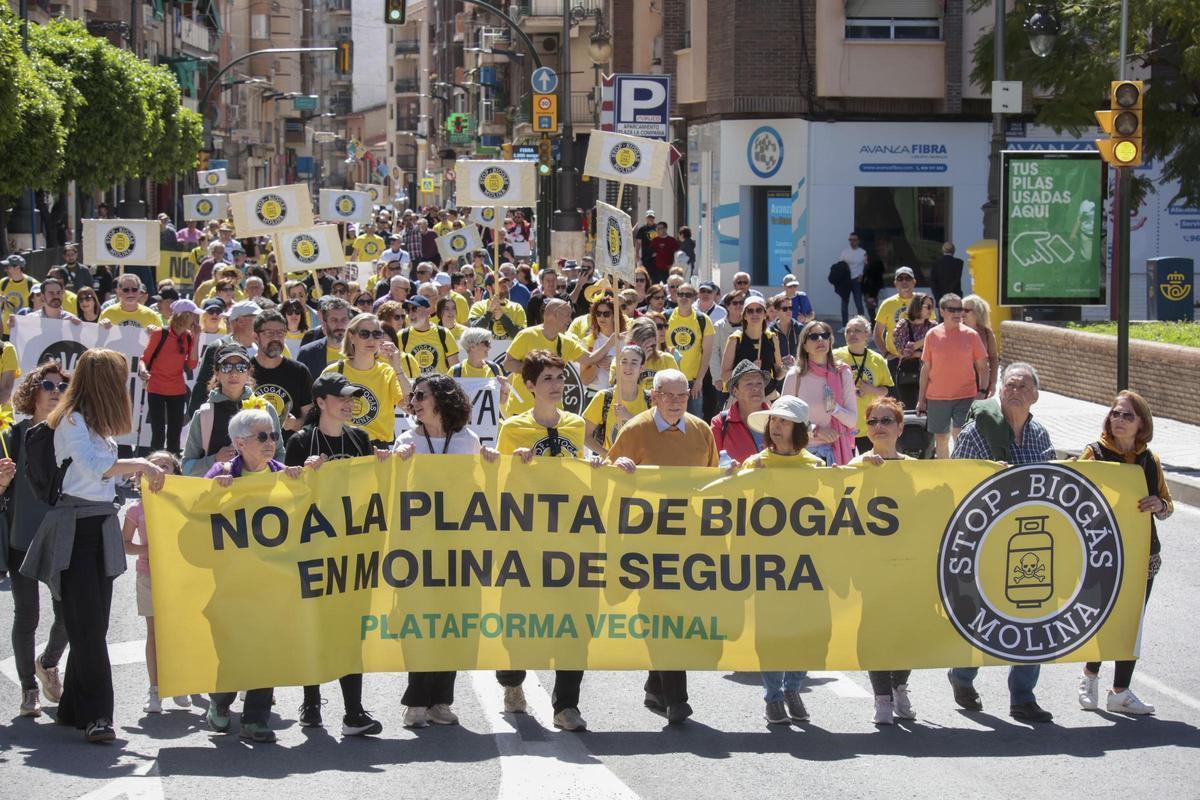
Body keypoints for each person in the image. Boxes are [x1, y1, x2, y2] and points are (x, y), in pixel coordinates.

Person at [20, 349, 166, 742]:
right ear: (102, 382)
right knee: (88, 627)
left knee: (93, 624)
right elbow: (94, 468)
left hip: (100, 524)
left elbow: (102, 477)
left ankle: (72, 710)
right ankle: (100, 716)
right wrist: (144, 466)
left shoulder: (97, 427)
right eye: (117, 379)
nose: (123, 387)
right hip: (75, 529)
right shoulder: (72, 420)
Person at [495, 351, 599, 731]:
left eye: (560, 377)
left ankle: (566, 705)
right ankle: (511, 680)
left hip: (573, 539)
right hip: (525, 540)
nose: (557, 385)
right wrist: (512, 465)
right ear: (530, 386)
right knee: (519, 620)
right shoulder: (513, 428)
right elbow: (499, 485)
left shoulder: (575, 424)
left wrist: (600, 466)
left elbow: (582, 470)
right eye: (549, 379)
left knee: (576, 620)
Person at [607, 369, 718, 724]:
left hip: (689, 542)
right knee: (661, 614)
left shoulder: (701, 431)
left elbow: (712, 482)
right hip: (646, 543)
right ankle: (676, 698)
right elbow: (608, 484)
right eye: (668, 396)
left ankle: (656, 687)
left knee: (681, 615)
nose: (676, 402)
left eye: (682, 396)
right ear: (653, 396)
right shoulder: (634, 431)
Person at [948, 363, 1054, 723]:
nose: (1015, 390)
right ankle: (962, 676)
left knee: (1033, 617)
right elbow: (958, 480)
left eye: (1023, 386)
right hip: (985, 542)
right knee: (981, 617)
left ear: (1035, 396)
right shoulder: (979, 430)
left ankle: (1022, 697)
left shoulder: (1040, 434)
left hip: (1029, 540)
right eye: (1010, 384)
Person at [391, 375, 499, 729]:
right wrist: (396, 463)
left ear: (443, 400)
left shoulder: (467, 441)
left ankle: (441, 699)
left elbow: (482, 488)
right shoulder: (406, 441)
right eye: (413, 396)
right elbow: (390, 490)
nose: (415, 400)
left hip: (459, 547)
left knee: (454, 622)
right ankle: (416, 700)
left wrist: (491, 464)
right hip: (418, 548)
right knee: (422, 620)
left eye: (422, 395)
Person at [284, 374, 386, 737]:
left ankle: (353, 711)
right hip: (314, 549)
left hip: (352, 552)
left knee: (349, 630)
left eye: (352, 398)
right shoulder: (299, 441)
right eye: (341, 398)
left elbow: (371, 487)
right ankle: (311, 702)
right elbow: (286, 495)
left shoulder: (359, 438)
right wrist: (301, 474)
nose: (348, 403)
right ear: (321, 401)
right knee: (314, 627)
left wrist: (389, 464)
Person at [203, 408, 307, 743]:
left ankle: (256, 718)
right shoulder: (220, 473)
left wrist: (309, 477)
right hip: (231, 581)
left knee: (267, 646)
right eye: (262, 437)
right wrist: (213, 492)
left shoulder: (283, 474)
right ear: (239, 442)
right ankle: (220, 701)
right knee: (233, 646)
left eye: (273, 436)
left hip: (273, 580)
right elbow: (194, 514)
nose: (270, 443)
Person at [1077, 390, 1172, 716]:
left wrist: (1158, 504)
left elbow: (1167, 504)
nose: (1119, 420)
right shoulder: (1095, 453)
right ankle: (1089, 675)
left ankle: (1120, 690)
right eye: (1115, 414)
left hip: (1143, 555)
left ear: (1142, 423)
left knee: (1132, 622)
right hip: (1102, 552)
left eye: (1127, 416)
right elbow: (1071, 490)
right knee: (1102, 616)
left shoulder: (1149, 460)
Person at [739, 394, 822, 724]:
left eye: (784, 421)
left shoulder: (816, 469)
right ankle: (773, 696)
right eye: (774, 420)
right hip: (766, 564)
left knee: (803, 630)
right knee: (771, 630)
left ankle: (793, 687)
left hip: (805, 563)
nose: (776, 426)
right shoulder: (755, 464)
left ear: (798, 428)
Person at [4, 361, 69, 718]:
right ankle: (29, 689)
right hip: (22, 535)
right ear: (34, 390)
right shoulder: (12, 434)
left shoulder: (72, 431)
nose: (55, 392)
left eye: (61, 387)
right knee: (26, 614)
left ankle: (48, 662)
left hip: (62, 536)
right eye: (48, 385)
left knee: (68, 616)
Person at [848, 396, 917, 724]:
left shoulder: (914, 468)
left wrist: (991, 472)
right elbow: (847, 512)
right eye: (873, 421)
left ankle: (901, 686)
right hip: (871, 565)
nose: (879, 427)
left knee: (905, 631)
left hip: (906, 565)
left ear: (900, 427)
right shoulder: (857, 466)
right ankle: (882, 699)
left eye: (886, 421)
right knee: (875, 630)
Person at [121, 450, 191, 714]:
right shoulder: (136, 510)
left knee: (179, 631)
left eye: (167, 465)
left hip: (179, 577)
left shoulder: (184, 504)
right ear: (141, 476)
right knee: (154, 633)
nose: (161, 469)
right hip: (148, 576)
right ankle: (155, 689)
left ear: (175, 473)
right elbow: (125, 544)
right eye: (154, 466)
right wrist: (147, 551)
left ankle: (179, 683)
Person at [182, 344, 283, 476]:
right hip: (218, 494)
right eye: (226, 367)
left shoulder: (265, 409)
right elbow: (186, 467)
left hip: (258, 492)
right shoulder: (204, 414)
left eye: (241, 367)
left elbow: (279, 453)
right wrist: (214, 460)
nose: (234, 373)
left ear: (248, 372)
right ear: (216, 373)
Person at [916, 294, 988, 459]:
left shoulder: (971, 335)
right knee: (941, 439)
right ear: (942, 311)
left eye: (960, 309)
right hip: (937, 396)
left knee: (961, 435)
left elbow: (983, 366)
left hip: (966, 396)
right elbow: (926, 369)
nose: (957, 314)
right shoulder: (932, 335)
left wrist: (982, 391)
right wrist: (921, 400)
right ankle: (944, 474)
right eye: (952, 309)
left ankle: (961, 473)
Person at [322, 313, 406, 448]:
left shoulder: (388, 372)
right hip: (341, 446)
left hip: (379, 451)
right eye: (364, 334)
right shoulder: (333, 372)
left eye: (377, 334)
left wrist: (397, 367)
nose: (371, 339)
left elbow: (409, 406)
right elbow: (319, 414)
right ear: (351, 337)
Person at [780, 321, 857, 465]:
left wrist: (834, 409)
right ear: (804, 345)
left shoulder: (843, 373)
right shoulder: (794, 376)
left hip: (836, 455)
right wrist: (816, 430)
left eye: (825, 335)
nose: (820, 339)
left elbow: (852, 420)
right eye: (814, 337)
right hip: (801, 454)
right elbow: (783, 418)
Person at [139, 299, 200, 453]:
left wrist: (196, 338)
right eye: (194, 316)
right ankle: (154, 466)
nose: (196, 320)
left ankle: (173, 470)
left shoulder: (188, 337)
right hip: (156, 389)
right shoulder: (160, 334)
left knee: (175, 434)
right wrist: (143, 370)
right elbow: (143, 359)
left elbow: (192, 364)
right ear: (184, 316)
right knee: (158, 433)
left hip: (177, 390)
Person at [188, 300, 260, 415]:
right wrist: (196, 416)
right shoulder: (217, 347)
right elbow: (202, 386)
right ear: (241, 321)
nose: (261, 322)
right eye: (257, 318)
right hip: (219, 418)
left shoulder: (260, 349)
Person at [834, 316, 893, 453]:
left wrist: (872, 389)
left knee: (870, 467)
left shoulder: (877, 360)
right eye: (848, 331)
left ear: (867, 334)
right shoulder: (835, 356)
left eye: (857, 330)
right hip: (843, 424)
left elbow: (888, 390)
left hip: (870, 425)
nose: (852, 334)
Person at [250, 309, 314, 437]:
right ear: (256, 337)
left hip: (291, 451)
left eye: (280, 333)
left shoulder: (299, 372)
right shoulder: (244, 371)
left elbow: (311, 419)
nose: (276, 338)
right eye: (269, 333)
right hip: (252, 451)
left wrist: (295, 424)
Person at [583, 344, 651, 456]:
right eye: (624, 361)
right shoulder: (604, 398)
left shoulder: (650, 399)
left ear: (641, 368)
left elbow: (656, 434)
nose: (628, 367)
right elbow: (585, 435)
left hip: (642, 467)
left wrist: (629, 417)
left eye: (634, 362)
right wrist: (607, 455)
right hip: (611, 469)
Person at [666, 283, 713, 418]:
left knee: (694, 420)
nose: (684, 297)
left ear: (694, 298)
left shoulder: (703, 320)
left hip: (693, 381)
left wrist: (699, 380)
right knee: (669, 418)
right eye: (681, 294)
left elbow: (707, 353)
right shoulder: (665, 317)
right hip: (669, 380)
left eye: (688, 295)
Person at [711, 360, 771, 465]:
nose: (756, 388)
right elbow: (712, 464)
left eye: (759, 383)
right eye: (749, 384)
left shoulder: (777, 419)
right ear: (735, 391)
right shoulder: (720, 423)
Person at [719, 296, 783, 393]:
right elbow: (724, 376)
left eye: (759, 310)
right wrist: (747, 370)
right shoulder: (735, 339)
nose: (755, 314)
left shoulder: (772, 338)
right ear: (744, 316)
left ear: (765, 314)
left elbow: (778, 373)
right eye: (750, 311)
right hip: (741, 398)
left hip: (767, 395)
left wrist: (786, 368)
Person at [872, 266, 923, 387]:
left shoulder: (922, 302)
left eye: (907, 278)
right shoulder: (887, 304)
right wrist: (886, 354)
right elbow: (877, 334)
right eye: (900, 279)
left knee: (918, 399)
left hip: (919, 359)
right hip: (895, 360)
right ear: (895, 283)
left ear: (914, 282)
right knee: (896, 399)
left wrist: (920, 353)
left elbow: (931, 332)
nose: (904, 281)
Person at [891, 292, 937, 410]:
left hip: (931, 376)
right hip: (908, 375)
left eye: (932, 307)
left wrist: (917, 353)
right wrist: (927, 338)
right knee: (911, 411)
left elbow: (937, 353)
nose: (931, 310)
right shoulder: (903, 325)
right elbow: (903, 352)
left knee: (931, 412)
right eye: (928, 306)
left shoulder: (934, 326)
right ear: (917, 306)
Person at [398, 295, 459, 375]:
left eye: (414, 309)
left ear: (428, 311)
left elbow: (454, 368)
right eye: (408, 310)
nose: (410, 314)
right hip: (412, 386)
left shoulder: (444, 333)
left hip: (439, 386)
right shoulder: (402, 335)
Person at [298, 297, 352, 381]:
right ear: (324, 323)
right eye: (334, 320)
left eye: (344, 320)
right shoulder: (307, 353)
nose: (340, 326)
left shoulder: (360, 351)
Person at [962, 294, 998, 398]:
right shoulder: (956, 330)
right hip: (961, 381)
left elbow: (993, 359)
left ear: (977, 312)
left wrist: (993, 383)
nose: (962, 313)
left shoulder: (987, 332)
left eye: (967, 310)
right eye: (961, 309)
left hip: (982, 381)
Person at [839, 231, 867, 321]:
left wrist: (862, 276)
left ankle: (863, 323)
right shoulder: (845, 252)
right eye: (850, 240)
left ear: (858, 241)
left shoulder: (863, 253)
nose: (852, 241)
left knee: (858, 303)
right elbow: (840, 266)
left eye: (854, 240)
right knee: (844, 303)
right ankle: (844, 325)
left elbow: (867, 266)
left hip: (857, 280)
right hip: (846, 281)